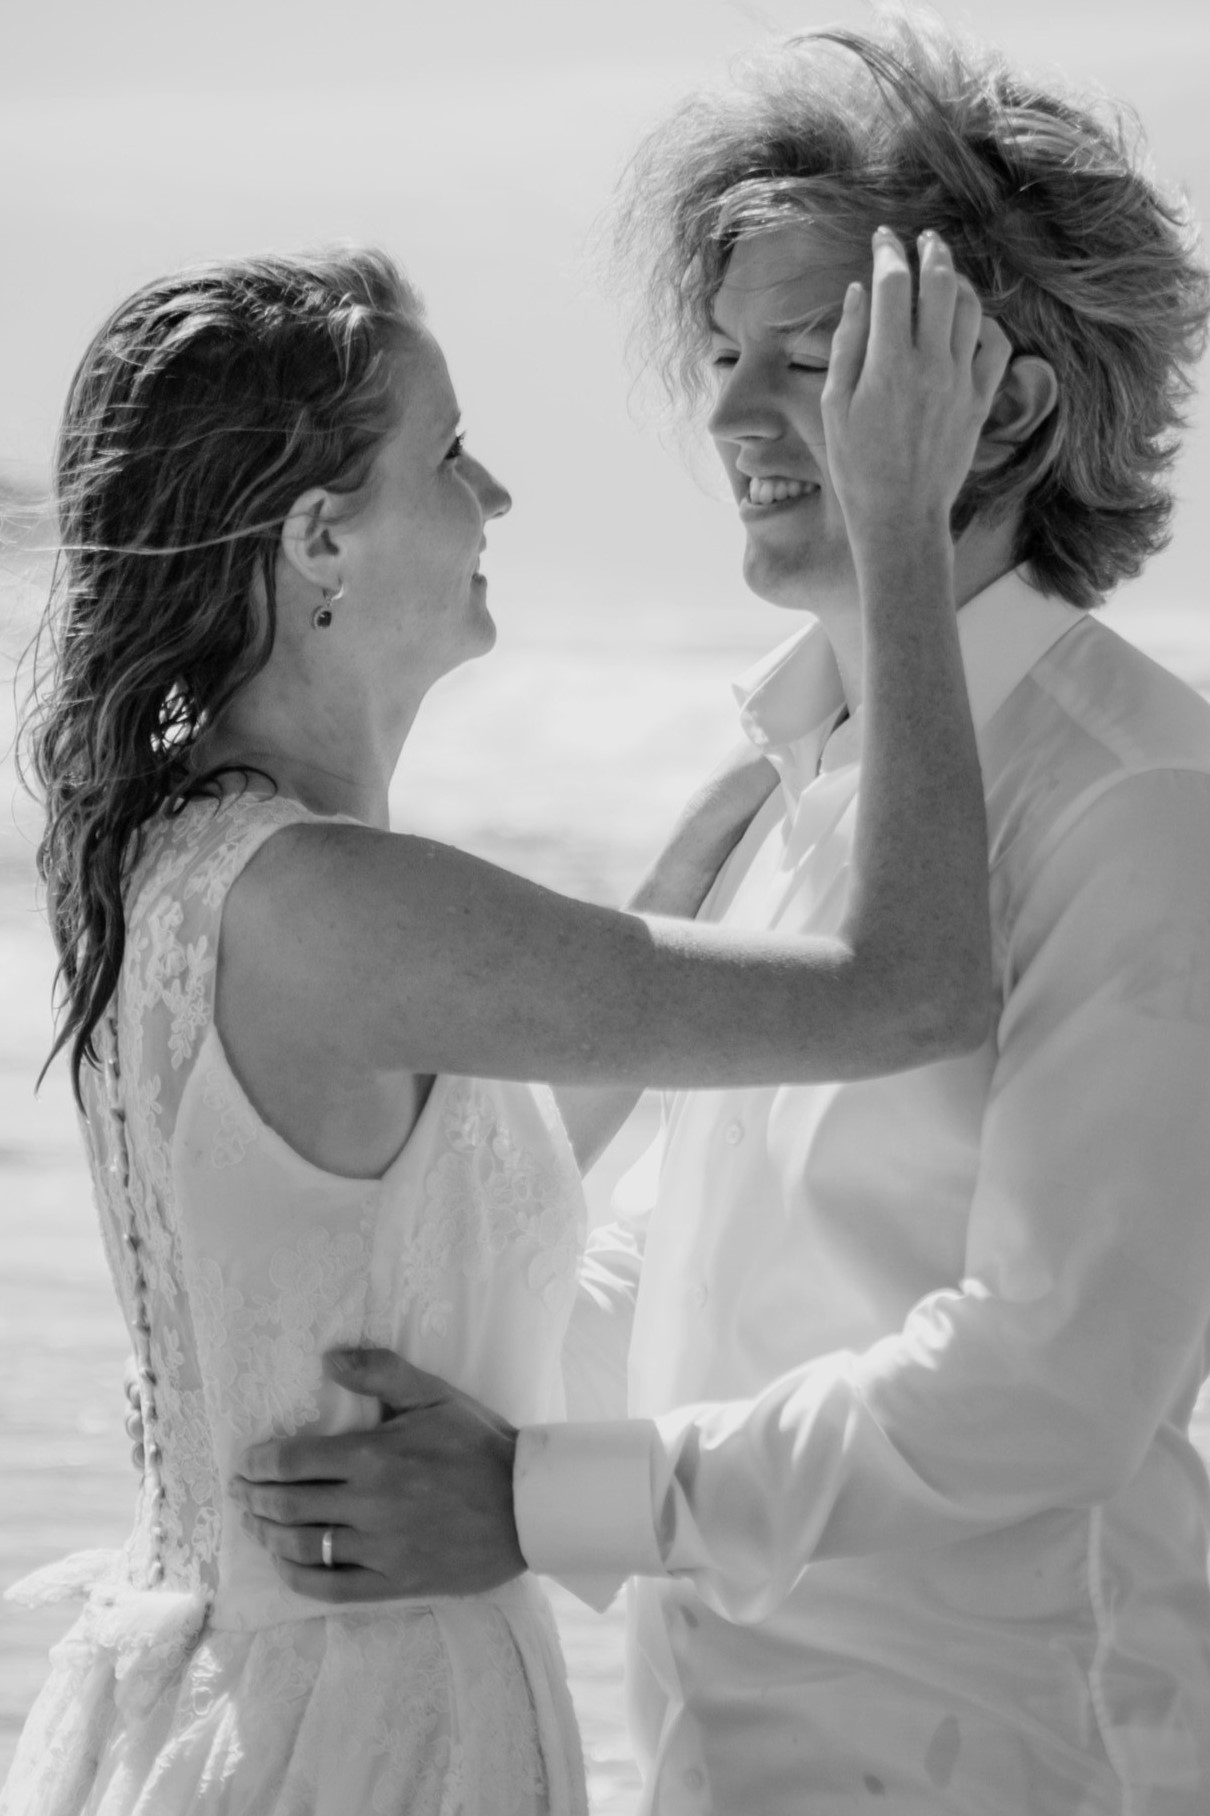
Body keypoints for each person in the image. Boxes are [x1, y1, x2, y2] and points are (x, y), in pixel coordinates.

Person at [231, 18, 1210, 1816]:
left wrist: (540, 1497)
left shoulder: (1137, 801)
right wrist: (400, 1398)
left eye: (816, 358)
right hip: (713, 1748)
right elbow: (690, 1268)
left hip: (1013, 1760)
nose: (734, 414)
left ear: (997, 398)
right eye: (722, 353)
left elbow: (1050, 1377)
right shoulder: (785, 779)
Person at [2, 221, 999, 1815]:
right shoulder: (331, 905)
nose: (496, 501)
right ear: (321, 539)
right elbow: (917, 992)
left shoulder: (203, 868)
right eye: (450, 455)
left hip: (257, 1705)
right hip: (365, 1731)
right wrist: (901, 530)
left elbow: (462, 1178)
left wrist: (750, 800)